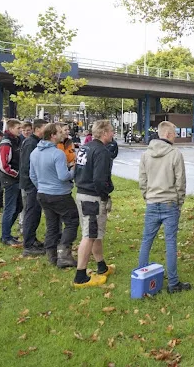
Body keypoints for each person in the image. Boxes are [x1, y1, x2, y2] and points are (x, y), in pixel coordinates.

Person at [138, 121, 191, 293]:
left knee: (147, 240)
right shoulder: (175, 154)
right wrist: (179, 201)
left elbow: (142, 180)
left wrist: (147, 196)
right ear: (168, 134)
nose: (175, 136)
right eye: (174, 133)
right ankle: (173, 283)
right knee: (170, 243)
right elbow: (180, 181)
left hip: (152, 202)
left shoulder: (146, 154)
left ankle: (141, 276)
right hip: (170, 203)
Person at [29, 123, 79, 268]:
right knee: (72, 221)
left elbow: (32, 175)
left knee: (52, 225)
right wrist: (74, 169)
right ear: (52, 135)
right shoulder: (57, 153)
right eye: (59, 132)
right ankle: (64, 253)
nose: (62, 134)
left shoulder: (35, 152)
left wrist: (42, 186)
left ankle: (51, 255)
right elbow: (63, 176)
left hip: (43, 193)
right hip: (60, 194)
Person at [73, 120, 115, 288]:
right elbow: (99, 179)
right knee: (89, 235)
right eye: (111, 131)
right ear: (104, 133)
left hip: (82, 193)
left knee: (95, 232)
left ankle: (101, 266)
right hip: (92, 197)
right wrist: (106, 194)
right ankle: (80, 276)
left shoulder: (85, 147)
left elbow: (77, 170)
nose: (113, 134)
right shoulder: (101, 151)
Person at [20, 119, 47, 256]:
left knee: (35, 213)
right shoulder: (31, 143)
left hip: (33, 183)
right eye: (45, 128)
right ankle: (28, 245)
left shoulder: (34, 142)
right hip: (31, 184)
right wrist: (33, 183)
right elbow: (27, 166)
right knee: (31, 213)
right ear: (37, 129)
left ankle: (32, 239)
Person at [0, 119, 24, 246]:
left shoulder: (16, 141)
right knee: (10, 208)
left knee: (19, 206)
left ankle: (6, 233)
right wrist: (17, 174)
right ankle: (5, 236)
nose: (21, 130)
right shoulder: (6, 143)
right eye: (18, 128)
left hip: (16, 179)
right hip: (11, 180)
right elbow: (4, 165)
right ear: (11, 128)